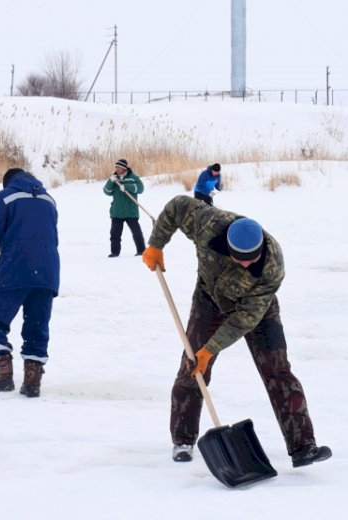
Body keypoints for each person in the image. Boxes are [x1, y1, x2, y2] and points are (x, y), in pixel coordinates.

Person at [141, 195, 332, 468]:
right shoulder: (208, 222)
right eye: (240, 258)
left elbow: (245, 318)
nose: (245, 264)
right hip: (209, 300)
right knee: (193, 365)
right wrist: (156, 244)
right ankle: (183, 439)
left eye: (251, 259)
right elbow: (176, 206)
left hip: (257, 309)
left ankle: (303, 446)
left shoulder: (272, 265)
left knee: (278, 371)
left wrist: (211, 348)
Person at [0, 168, 59, 398]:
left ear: (8, 182)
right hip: (47, 271)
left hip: (15, 268)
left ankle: (3, 376)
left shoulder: (6, 196)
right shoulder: (49, 200)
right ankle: (32, 383)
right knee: (37, 326)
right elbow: (38, 232)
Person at [102, 158, 146, 257]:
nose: (116, 169)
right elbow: (106, 192)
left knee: (136, 232)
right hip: (116, 212)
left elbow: (140, 188)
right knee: (114, 234)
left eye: (118, 167)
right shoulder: (114, 178)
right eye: (116, 167)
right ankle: (115, 252)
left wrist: (126, 186)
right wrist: (110, 181)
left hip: (130, 211)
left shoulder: (133, 177)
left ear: (124, 168)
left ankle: (141, 250)